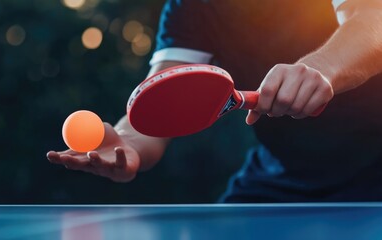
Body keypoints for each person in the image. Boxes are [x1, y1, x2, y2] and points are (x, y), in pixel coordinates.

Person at [47, 0, 382, 202]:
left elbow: (373, 22)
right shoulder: (191, 8)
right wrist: (128, 140)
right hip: (281, 175)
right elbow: (160, 100)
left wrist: (321, 67)